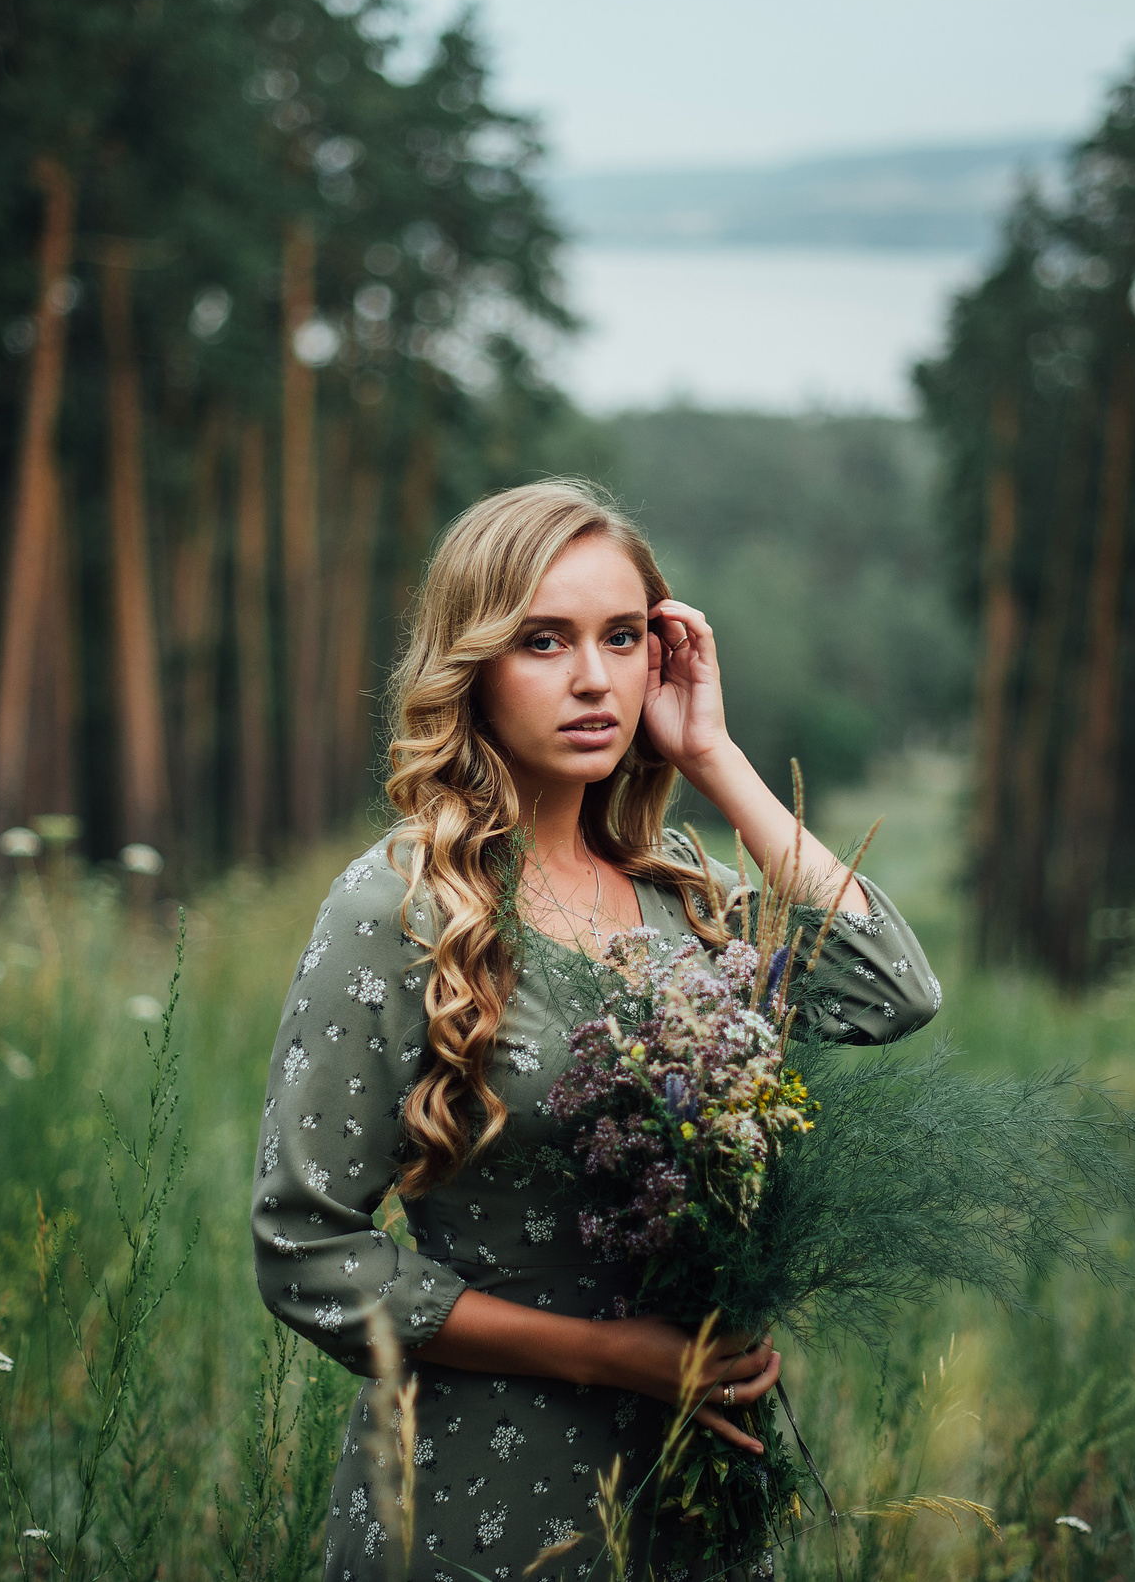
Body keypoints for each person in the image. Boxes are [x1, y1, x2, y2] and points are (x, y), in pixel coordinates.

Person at [250, 480, 942, 1580]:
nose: (592, 678)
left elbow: (889, 986)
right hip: (484, 1486)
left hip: (693, 1480)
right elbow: (306, 1250)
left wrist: (713, 753)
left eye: (623, 638)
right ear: (471, 666)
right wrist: (610, 1356)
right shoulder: (401, 906)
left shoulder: (684, 899)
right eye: (543, 640)